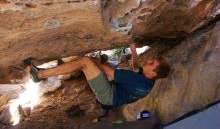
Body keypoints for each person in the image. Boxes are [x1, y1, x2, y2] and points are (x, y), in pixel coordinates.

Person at [26, 43, 170, 107]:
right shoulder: (148, 81)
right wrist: (133, 51)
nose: (149, 61)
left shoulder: (135, 80)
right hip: (114, 97)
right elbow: (136, 68)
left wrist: (94, 61)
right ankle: (59, 68)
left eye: (152, 64)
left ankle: (40, 74)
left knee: (85, 62)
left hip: (108, 95)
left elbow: (109, 71)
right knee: (87, 62)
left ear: (153, 72)